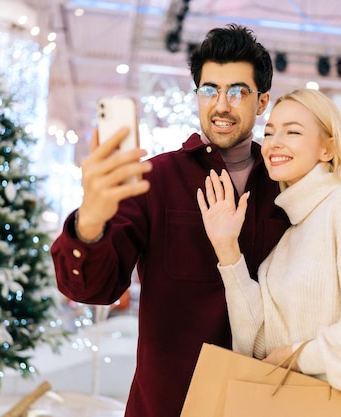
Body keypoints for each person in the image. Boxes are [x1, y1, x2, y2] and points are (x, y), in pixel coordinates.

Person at [50, 24, 290, 417]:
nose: (221, 105)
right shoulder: (155, 179)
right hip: (170, 404)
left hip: (263, 403)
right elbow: (93, 288)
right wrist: (90, 219)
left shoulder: (286, 185)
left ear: (261, 102)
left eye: (238, 92)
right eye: (209, 90)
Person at [197, 88, 341, 403]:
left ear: (327, 148)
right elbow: (254, 343)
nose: (274, 142)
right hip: (292, 405)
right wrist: (227, 249)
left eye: (292, 131)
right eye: (269, 132)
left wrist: (299, 355)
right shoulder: (291, 232)